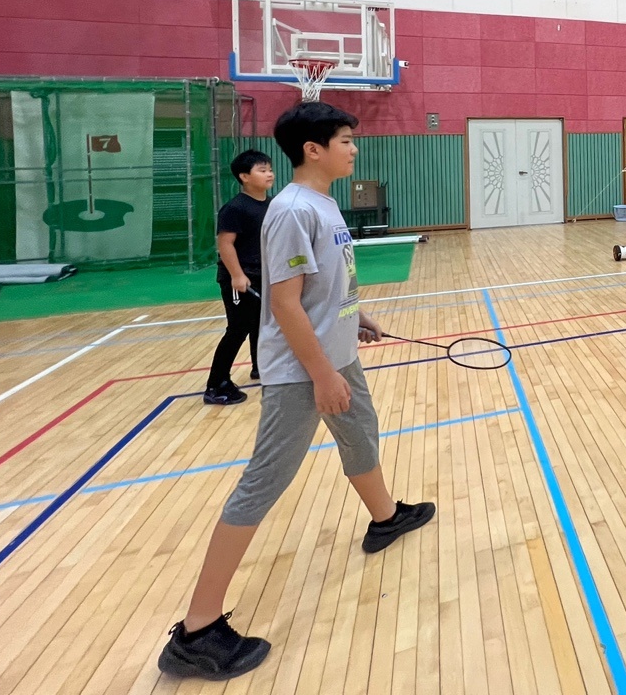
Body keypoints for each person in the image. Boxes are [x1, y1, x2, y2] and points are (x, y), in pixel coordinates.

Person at [159, 102, 434, 681]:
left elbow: (324, 285)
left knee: (360, 434)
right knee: (265, 481)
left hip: (337, 353)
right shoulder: (289, 210)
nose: (354, 148)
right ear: (313, 149)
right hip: (303, 370)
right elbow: (284, 304)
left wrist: (354, 315)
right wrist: (322, 374)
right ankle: (196, 632)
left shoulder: (324, 203)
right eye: (345, 140)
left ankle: (385, 517)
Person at [204, 149, 275, 405]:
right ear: (244, 176)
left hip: (262, 275)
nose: (269, 174)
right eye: (262, 170)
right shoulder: (235, 208)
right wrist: (237, 275)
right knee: (237, 329)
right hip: (240, 279)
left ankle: (260, 367)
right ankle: (216, 385)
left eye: (269, 169)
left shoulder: (271, 205)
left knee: (261, 324)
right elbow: (225, 244)